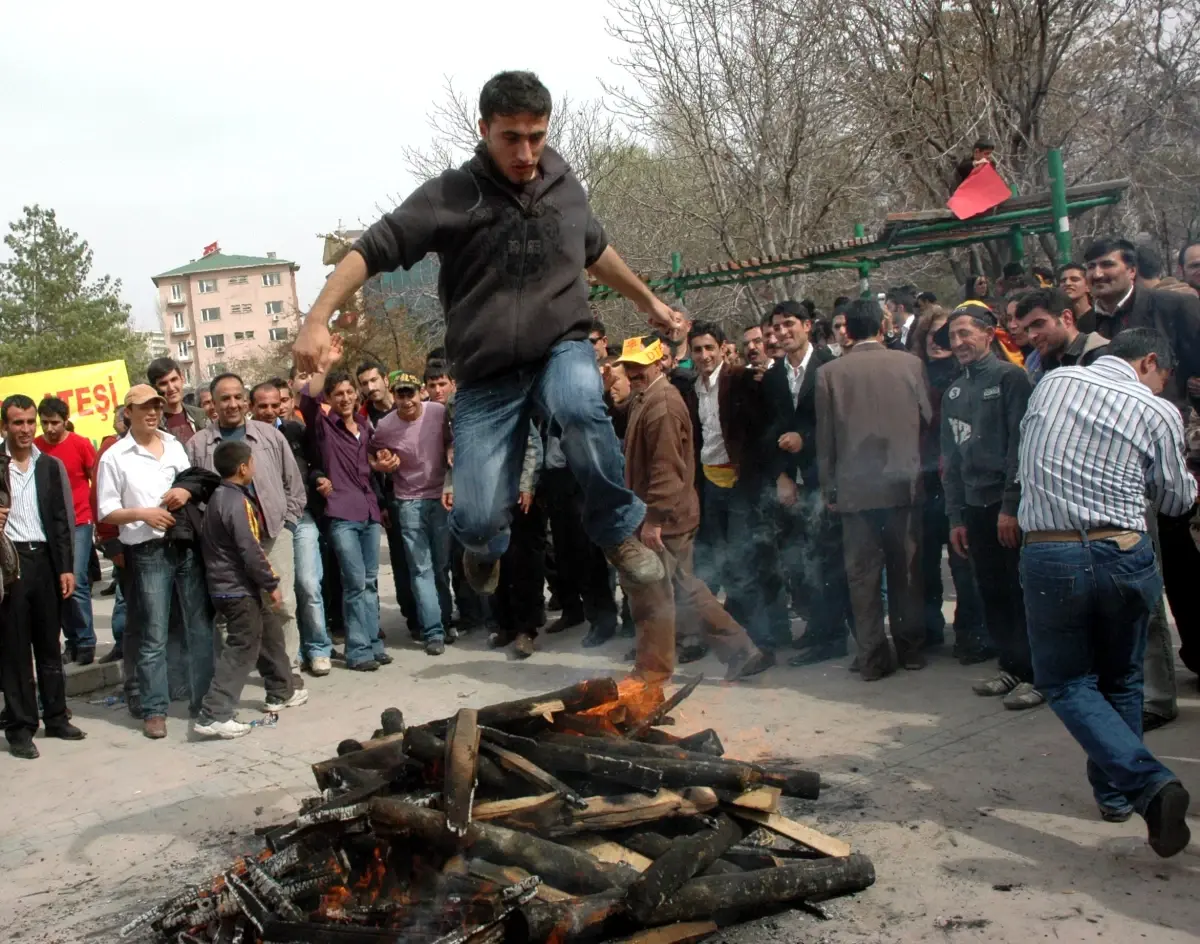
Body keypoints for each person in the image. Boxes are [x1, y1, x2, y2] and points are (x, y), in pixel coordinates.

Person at [292, 71, 682, 597]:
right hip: (486, 373)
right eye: (511, 138)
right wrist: (317, 318)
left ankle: (616, 532)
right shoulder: (454, 195)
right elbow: (371, 248)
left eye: (536, 136)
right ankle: (482, 545)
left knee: (579, 404)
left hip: (558, 347)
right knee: (476, 519)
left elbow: (594, 250)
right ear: (484, 129)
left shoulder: (565, 187)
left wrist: (648, 300)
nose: (526, 152)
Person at [1018, 328, 1194, 855]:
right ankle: (1124, 796)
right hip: (1125, 553)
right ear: (1151, 361)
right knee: (1121, 678)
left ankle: (1140, 787)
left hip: (1051, 553)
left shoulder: (1053, 383)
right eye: (1164, 377)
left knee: (1068, 682)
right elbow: (1175, 500)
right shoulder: (1160, 411)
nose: (1163, 386)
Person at [615, 336, 772, 683]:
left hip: (665, 518)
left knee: (662, 593)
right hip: (663, 515)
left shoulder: (663, 406)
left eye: (639, 365)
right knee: (680, 589)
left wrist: (654, 519)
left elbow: (666, 470)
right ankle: (741, 652)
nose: (632, 372)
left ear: (658, 363)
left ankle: (655, 672)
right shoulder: (649, 396)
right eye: (628, 366)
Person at [816, 299, 931, 680]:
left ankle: (873, 658)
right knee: (906, 571)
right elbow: (928, 420)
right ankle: (911, 649)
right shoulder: (911, 365)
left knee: (863, 578)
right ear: (882, 326)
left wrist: (829, 489)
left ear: (847, 328)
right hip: (904, 485)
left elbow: (826, 440)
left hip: (854, 491)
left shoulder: (830, 373)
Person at [97, 385, 216, 739]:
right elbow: (105, 510)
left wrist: (185, 491)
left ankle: (205, 699)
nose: (152, 413)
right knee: (153, 632)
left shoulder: (174, 445)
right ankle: (154, 708)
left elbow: (191, 481)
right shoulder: (115, 456)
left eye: (156, 407)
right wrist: (143, 514)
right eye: (144, 407)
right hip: (147, 551)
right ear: (127, 412)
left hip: (184, 545)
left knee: (198, 626)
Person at [940, 304, 1042, 709]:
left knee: (1022, 591)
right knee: (991, 591)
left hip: (1007, 505)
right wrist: (955, 516)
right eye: (952, 336)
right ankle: (1012, 666)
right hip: (973, 505)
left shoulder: (1011, 378)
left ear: (988, 334)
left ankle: (1039, 674)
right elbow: (948, 461)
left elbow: (1022, 446)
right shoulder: (953, 391)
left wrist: (1011, 505)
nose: (959, 343)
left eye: (965, 333)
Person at [194, 440, 308, 740]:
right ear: (243, 468)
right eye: (252, 462)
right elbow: (250, 549)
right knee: (242, 647)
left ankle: (281, 691)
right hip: (236, 588)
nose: (254, 467)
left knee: (269, 632)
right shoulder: (235, 502)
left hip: (234, 586)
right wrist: (271, 583)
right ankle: (214, 713)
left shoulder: (222, 497)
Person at [762, 301, 849, 665]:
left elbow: (840, 422)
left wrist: (804, 439)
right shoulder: (772, 377)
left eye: (789, 325)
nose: (782, 333)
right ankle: (816, 628)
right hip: (790, 486)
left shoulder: (830, 366)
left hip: (826, 480)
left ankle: (833, 638)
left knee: (828, 562)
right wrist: (781, 475)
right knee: (798, 563)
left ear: (808, 326)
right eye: (777, 327)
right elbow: (767, 432)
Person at [0, 395, 86, 758]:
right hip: (11, 563)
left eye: (30, 422)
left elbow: (62, 521)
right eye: (17, 423)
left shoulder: (48, 466)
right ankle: (21, 728)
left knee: (50, 645)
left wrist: (66, 566)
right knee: (16, 650)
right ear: (5, 426)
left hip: (46, 561)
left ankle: (56, 715)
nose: (26, 430)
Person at [300, 338, 392, 671]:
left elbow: (372, 466)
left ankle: (374, 643)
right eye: (337, 393)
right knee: (354, 583)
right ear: (330, 399)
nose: (345, 397)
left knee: (369, 582)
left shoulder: (366, 426)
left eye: (349, 392)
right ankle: (358, 652)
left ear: (357, 393)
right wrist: (326, 362)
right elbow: (308, 397)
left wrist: (382, 467)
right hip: (341, 514)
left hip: (368, 510)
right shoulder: (325, 426)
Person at [908, 308, 987, 662]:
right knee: (924, 564)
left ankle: (971, 633)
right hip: (923, 480)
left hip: (959, 479)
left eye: (948, 336)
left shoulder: (967, 377)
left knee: (963, 562)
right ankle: (929, 629)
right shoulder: (913, 377)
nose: (941, 344)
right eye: (933, 337)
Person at [684, 322, 766, 645]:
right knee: (713, 557)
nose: (704, 355)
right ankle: (721, 631)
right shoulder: (694, 389)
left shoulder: (741, 380)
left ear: (721, 348)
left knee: (743, 559)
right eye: (698, 350)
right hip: (709, 481)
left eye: (709, 348)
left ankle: (756, 637)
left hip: (739, 483)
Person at [250, 381, 333, 677]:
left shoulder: (295, 431)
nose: (271, 411)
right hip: (269, 526)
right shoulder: (245, 440)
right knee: (282, 595)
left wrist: (319, 478)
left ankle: (319, 648)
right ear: (252, 408)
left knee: (309, 585)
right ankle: (291, 655)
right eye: (263, 406)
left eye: (276, 404)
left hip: (301, 518)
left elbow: (314, 464)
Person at [371, 372, 455, 656]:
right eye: (400, 394)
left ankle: (445, 620)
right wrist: (383, 461)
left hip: (440, 496)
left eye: (410, 393)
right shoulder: (384, 425)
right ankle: (433, 631)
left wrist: (451, 455)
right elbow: (372, 453)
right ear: (393, 396)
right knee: (421, 569)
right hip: (408, 501)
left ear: (420, 392)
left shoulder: (438, 412)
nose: (406, 400)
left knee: (441, 567)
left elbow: (450, 441)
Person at [34, 396, 97, 665]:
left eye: (55, 423)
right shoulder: (36, 447)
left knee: (78, 580)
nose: (49, 429)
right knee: (60, 584)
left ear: (65, 420)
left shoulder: (80, 444)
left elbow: (96, 478)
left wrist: (100, 523)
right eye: (45, 423)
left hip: (80, 521)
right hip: (48, 525)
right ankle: (70, 641)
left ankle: (86, 640)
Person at [1013, 287, 1108, 381]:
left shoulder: (1101, 357)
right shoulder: (1037, 367)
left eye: (1038, 324)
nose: (1031, 335)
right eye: (1027, 330)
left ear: (1066, 318)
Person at [148, 357, 209, 445]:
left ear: (182, 379)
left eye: (174, 380)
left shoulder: (201, 415)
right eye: (163, 383)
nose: (171, 388)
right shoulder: (152, 423)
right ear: (154, 388)